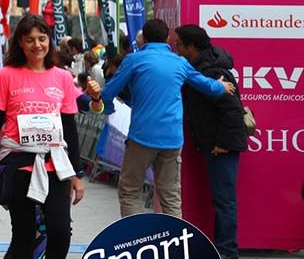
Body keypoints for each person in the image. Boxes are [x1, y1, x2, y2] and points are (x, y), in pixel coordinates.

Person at [0, 14, 85, 259]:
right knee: (24, 234)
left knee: (59, 230)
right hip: (17, 163)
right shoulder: (7, 75)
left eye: (42, 38)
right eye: (30, 39)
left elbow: (70, 126)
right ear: (20, 43)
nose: (36, 45)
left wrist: (77, 174)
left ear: (48, 41)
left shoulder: (62, 78)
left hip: (54, 164)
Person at [85, 19, 234, 219]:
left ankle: (137, 242)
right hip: (172, 139)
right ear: (167, 39)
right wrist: (220, 86)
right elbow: (206, 85)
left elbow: (110, 91)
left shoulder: (134, 60)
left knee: (130, 190)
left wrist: (107, 108)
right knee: (171, 196)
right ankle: (174, 244)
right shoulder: (179, 62)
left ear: (144, 39)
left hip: (141, 137)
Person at [172, 23, 248, 259]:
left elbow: (232, 110)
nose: (176, 47)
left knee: (224, 198)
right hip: (213, 143)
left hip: (221, 145)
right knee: (221, 197)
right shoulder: (201, 67)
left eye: (179, 43)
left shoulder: (213, 71)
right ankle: (223, 246)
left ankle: (228, 249)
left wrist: (223, 143)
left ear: (191, 46)